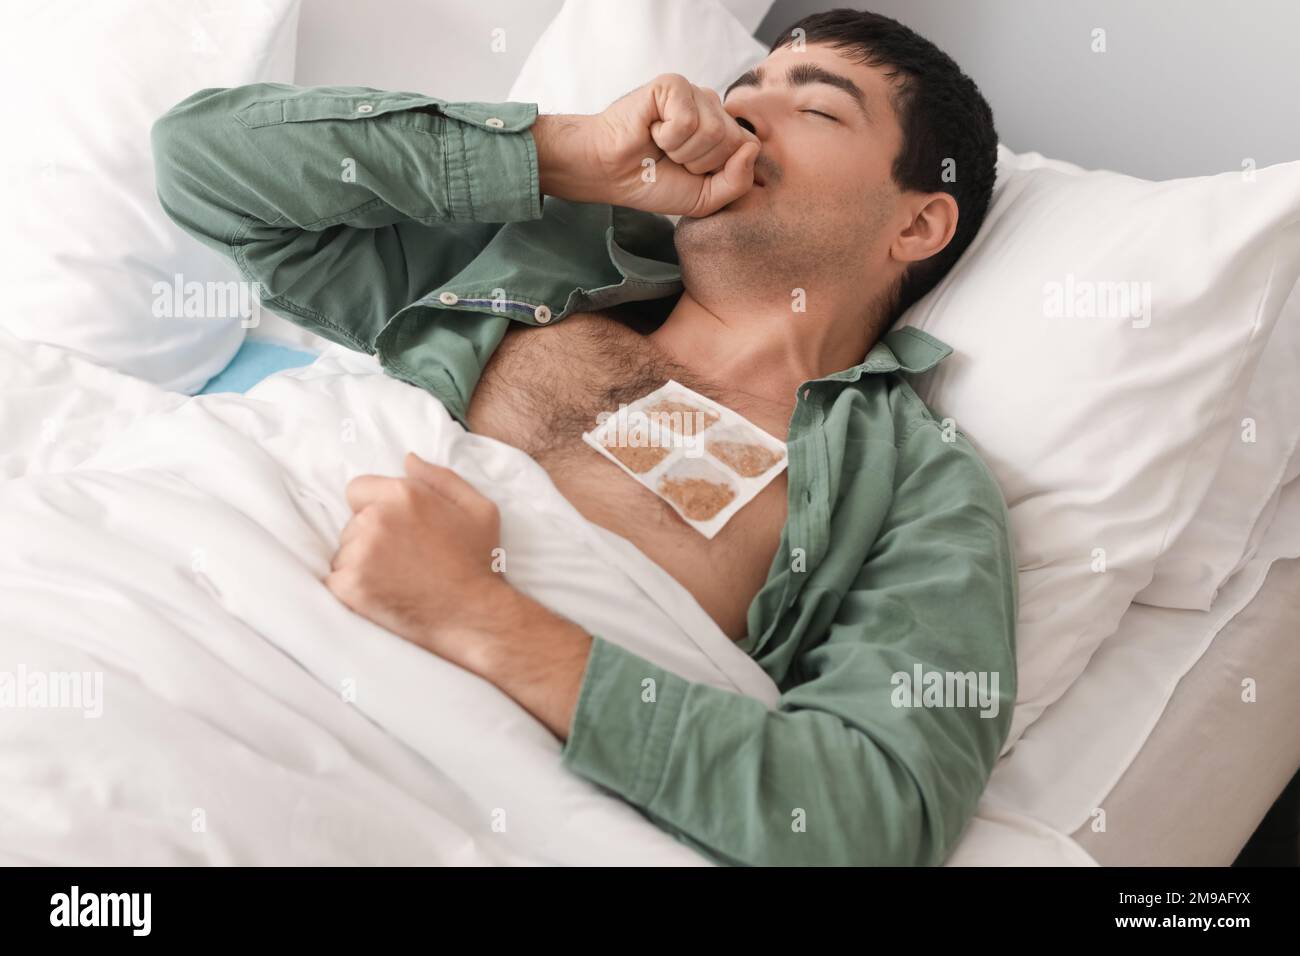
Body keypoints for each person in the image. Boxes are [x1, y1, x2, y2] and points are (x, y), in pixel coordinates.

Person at [151, 8, 1017, 866]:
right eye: (740, 91)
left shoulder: (917, 480)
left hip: (341, 777)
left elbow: (874, 813)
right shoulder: (529, 264)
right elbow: (203, 164)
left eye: (818, 109)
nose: (744, 113)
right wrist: (566, 157)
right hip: (163, 586)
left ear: (917, 225)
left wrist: (480, 616)